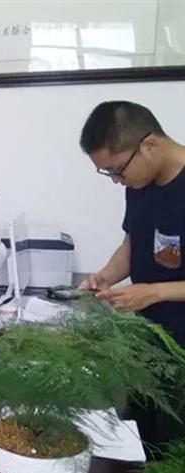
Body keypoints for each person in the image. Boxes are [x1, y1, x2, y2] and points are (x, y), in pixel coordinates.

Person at [79, 101, 185, 446]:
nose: (116, 181)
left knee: (172, 450)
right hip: (146, 342)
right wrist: (105, 276)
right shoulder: (139, 186)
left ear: (149, 145)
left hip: (181, 354)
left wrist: (155, 292)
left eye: (117, 170)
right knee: (140, 442)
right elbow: (133, 243)